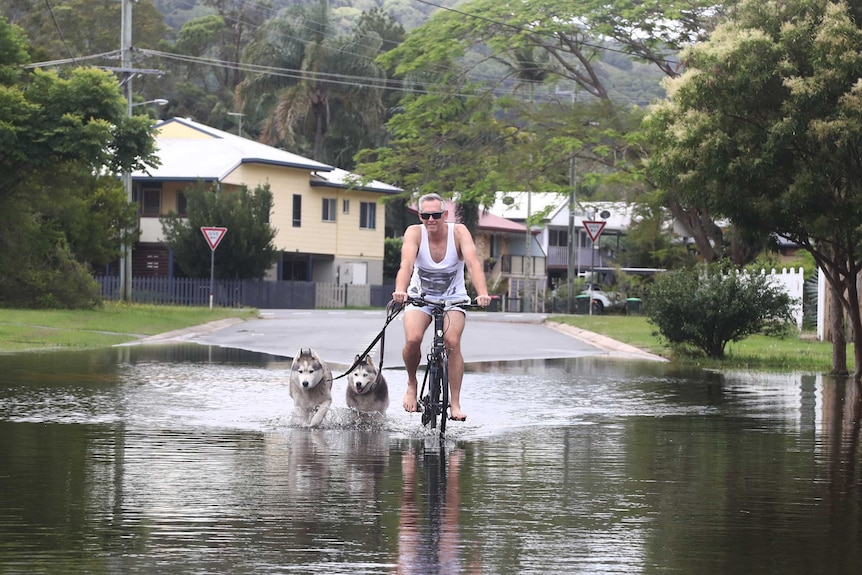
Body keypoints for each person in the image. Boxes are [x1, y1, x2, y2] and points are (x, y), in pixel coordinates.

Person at [391, 193, 492, 421]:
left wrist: (482, 293)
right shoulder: (414, 233)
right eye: (426, 215)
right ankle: (411, 383)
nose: (431, 220)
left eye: (436, 215)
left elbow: (474, 265)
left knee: (452, 342)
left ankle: (454, 403)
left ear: (445, 215)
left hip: (453, 297)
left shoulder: (459, 232)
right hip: (420, 296)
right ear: (420, 216)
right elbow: (406, 265)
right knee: (413, 339)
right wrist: (401, 290)